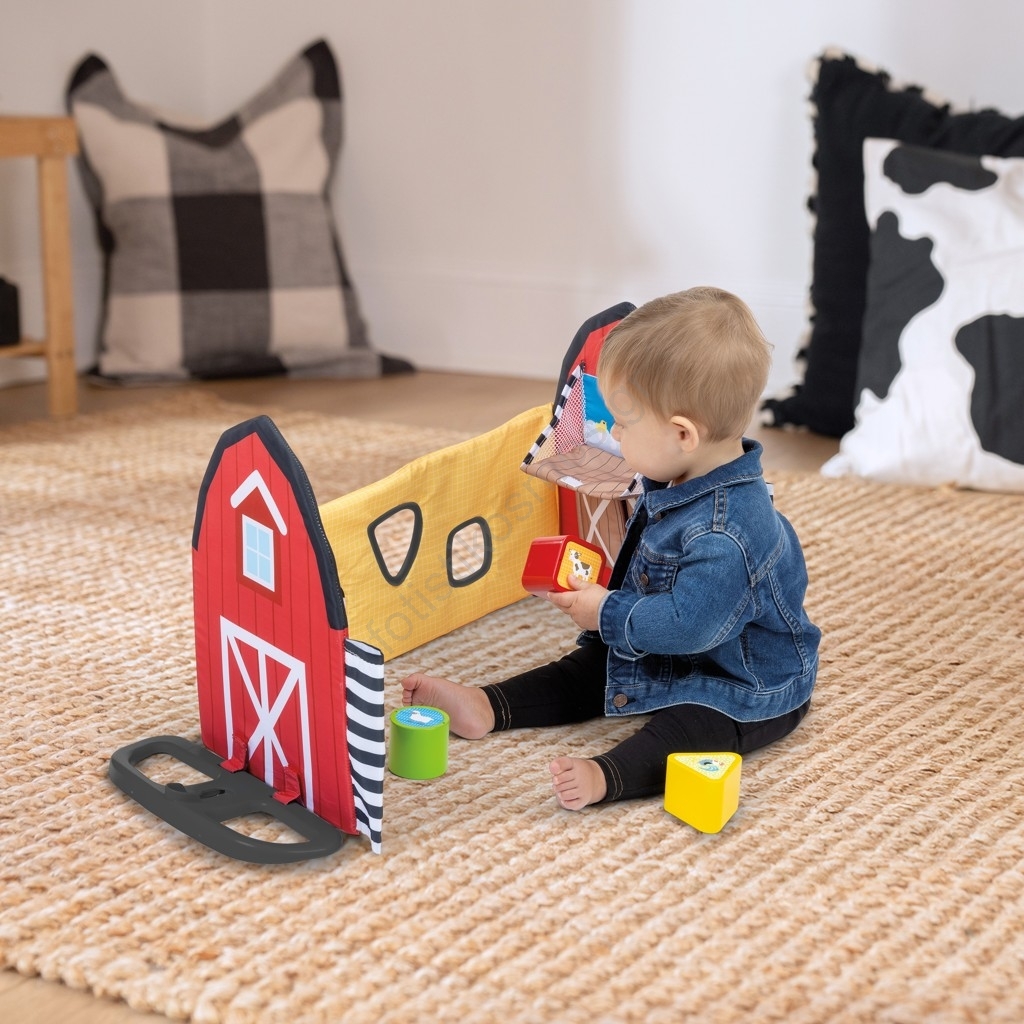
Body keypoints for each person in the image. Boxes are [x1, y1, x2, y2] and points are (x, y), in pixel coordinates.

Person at [401, 286, 820, 810]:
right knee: (591, 667)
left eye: (623, 422)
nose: (614, 434)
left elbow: (689, 628)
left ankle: (610, 775)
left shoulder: (727, 533)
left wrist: (607, 611)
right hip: (661, 645)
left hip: (742, 678)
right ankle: (488, 705)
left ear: (683, 435)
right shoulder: (679, 475)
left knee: (694, 726)